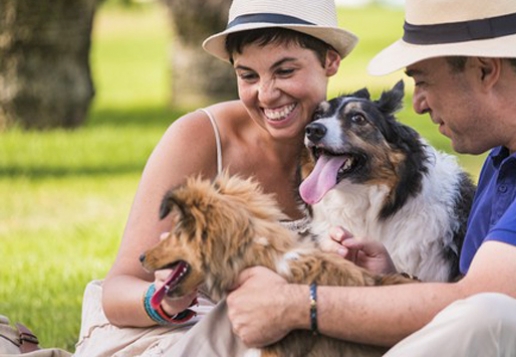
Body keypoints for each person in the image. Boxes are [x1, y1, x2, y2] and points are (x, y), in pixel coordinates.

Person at [163, 0, 516, 356]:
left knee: (488, 316)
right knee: (244, 321)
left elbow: (487, 305)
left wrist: (298, 303)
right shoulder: (515, 150)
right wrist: (392, 277)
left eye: (423, 81)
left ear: (485, 70)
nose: (417, 104)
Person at [73, 0, 357, 355]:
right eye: (248, 75)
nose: (266, 94)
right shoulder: (200, 138)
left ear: (330, 60)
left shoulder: (364, 150)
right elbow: (119, 289)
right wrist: (162, 299)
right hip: (183, 336)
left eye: (284, 71)